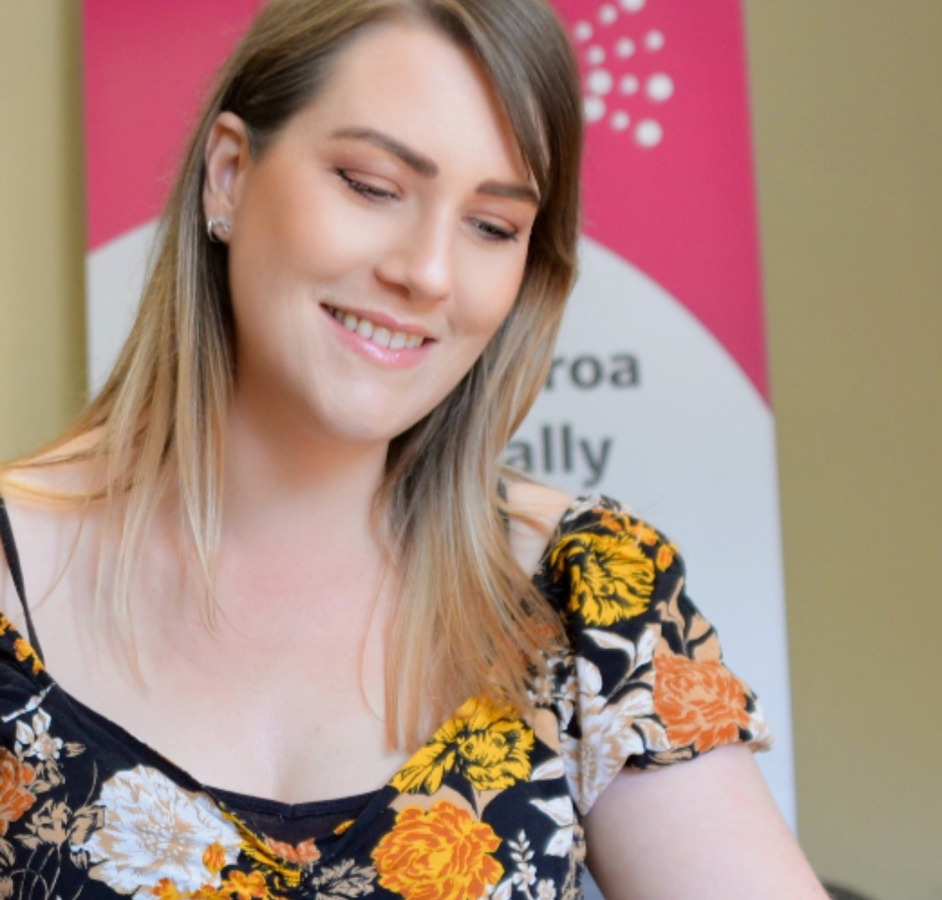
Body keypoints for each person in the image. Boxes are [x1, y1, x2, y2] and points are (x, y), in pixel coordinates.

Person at [0, 0, 828, 897]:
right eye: (372, 185)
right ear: (230, 174)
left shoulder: (588, 598)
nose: (428, 272)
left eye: (492, 226)